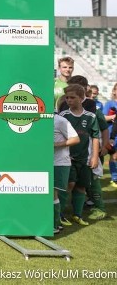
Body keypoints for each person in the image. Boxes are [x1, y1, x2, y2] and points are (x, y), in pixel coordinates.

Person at [58, 84, 100, 226]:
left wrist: (94, 157)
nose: (69, 100)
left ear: (82, 98)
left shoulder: (91, 117)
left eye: (72, 97)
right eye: (67, 97)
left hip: (84, 158)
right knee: (68, 185)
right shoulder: (64, 115)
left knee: (81, 186)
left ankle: (77, 214)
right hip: (68, 158)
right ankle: (60, 214)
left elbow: (95, 137)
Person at [53, 114, 80, 234]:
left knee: (52, 194)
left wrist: (55, 145)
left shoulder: (60, 120)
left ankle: (54, 224)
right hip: (43, 163)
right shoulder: (37, 119)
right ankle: (54, 223)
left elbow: (75, 139)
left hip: (59, 163)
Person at [102, 82, 117, 187]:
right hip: (112, 133)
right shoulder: (109, 104)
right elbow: (103, 117)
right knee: (113, 156)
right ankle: (114, 178)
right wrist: (113, 117)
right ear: (114, 91)